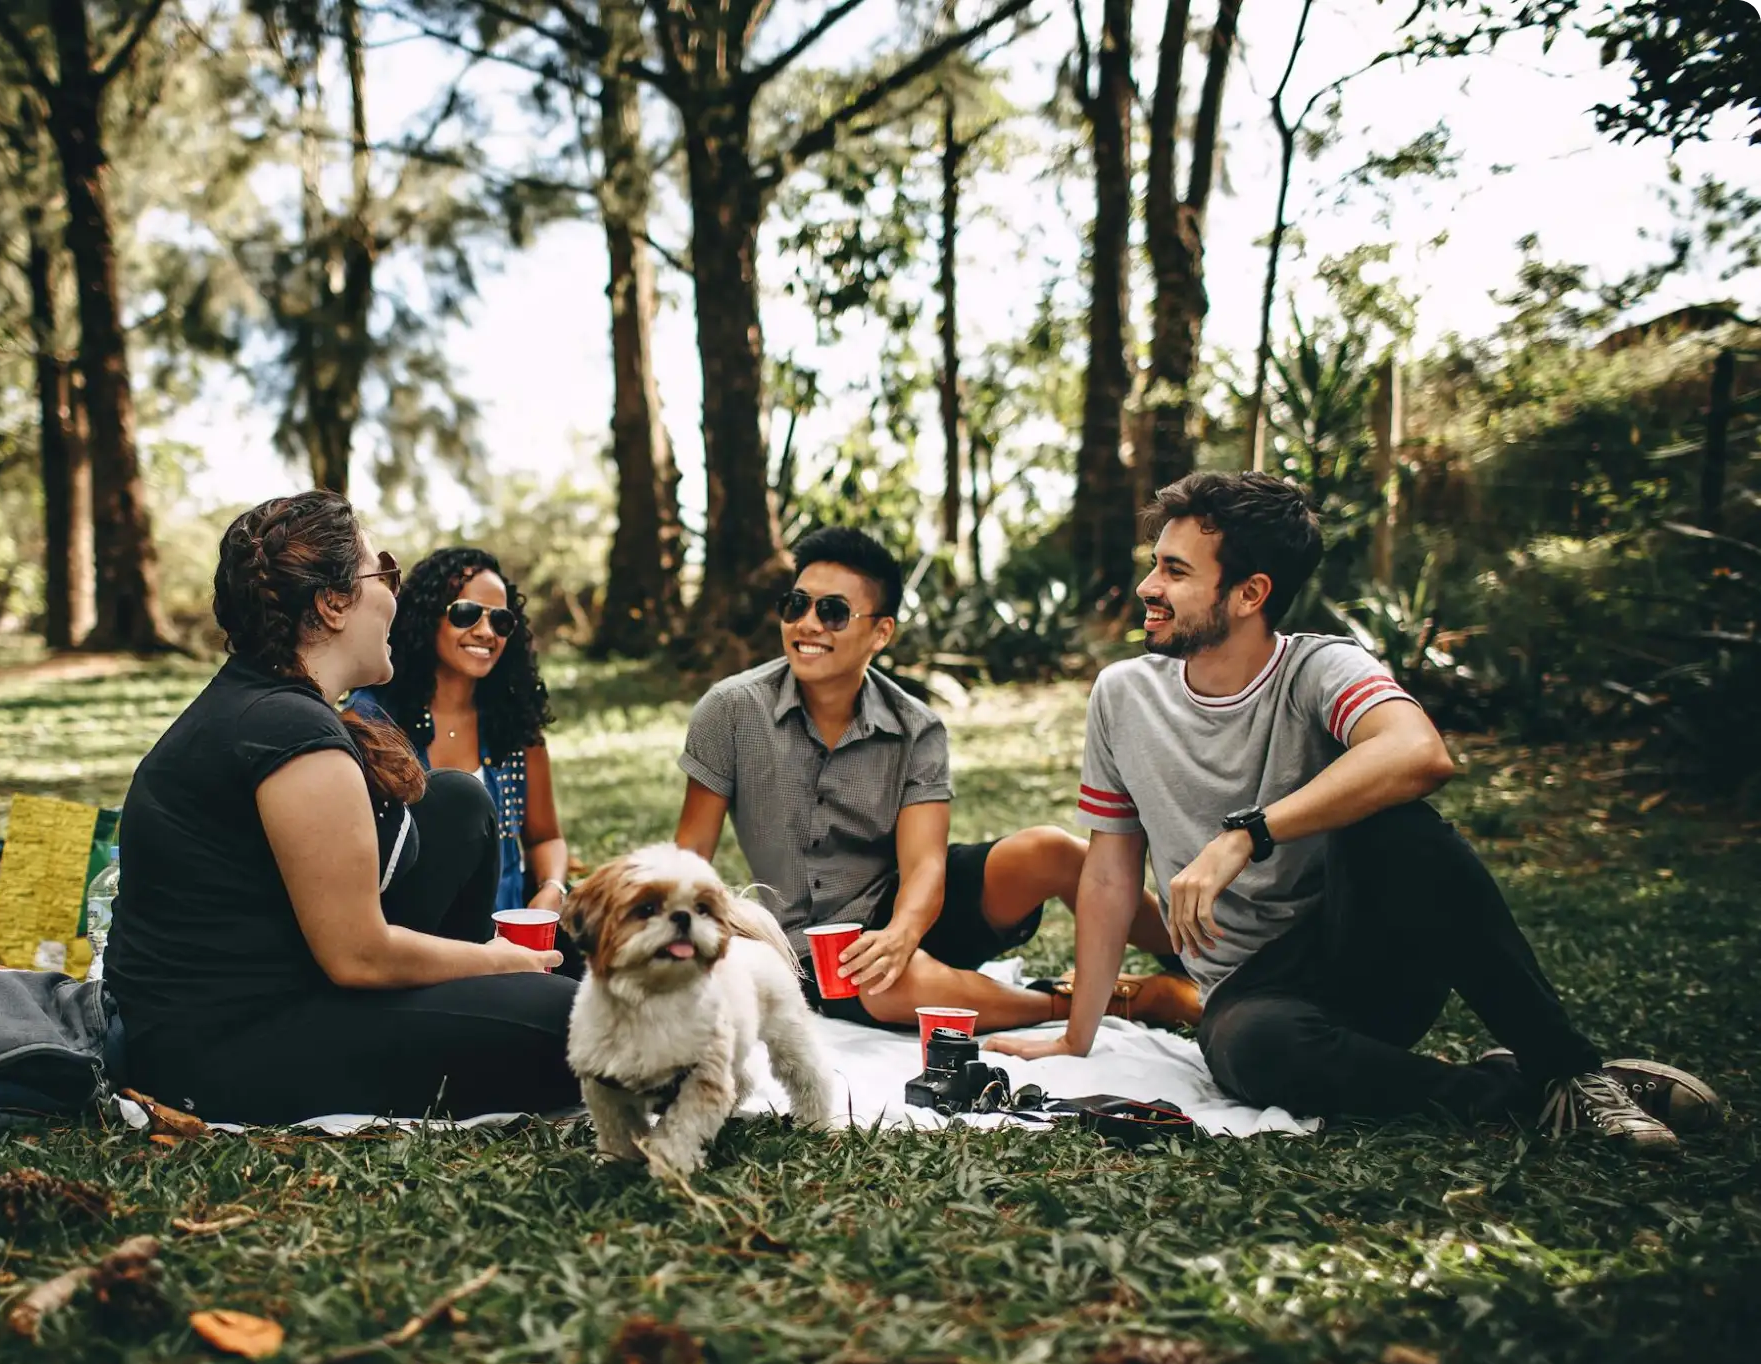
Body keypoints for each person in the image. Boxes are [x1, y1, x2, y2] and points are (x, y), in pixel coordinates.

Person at [988, 471, 1722, 1156]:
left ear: (1250, 593)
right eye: (1157, 562)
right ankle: (1526, 1092)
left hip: (1366, 955)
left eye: (1176, 572)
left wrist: (1249, 833)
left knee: (1400, 825)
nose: (1148, 585)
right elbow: (1112, 875)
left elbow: (1419, 752)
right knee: (1253, 1051)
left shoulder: (1321, 667)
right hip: (1253, 997)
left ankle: (1571, 1068)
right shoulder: (1123, 696)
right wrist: (1077, 1037)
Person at [104, 493, 581, 1124]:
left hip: (287, 980)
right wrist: (500, 958)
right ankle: (500, 998)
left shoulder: (271, 702)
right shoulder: (286, 731)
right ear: (332, 604)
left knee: (458, 802)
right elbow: (358, 956)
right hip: (223, 1049)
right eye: (382, 572)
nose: (394, 594)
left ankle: (488, 998)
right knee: (576, 1026)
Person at [674, 524, 1197, 1032]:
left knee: (1051, 851)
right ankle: (1110, 1002)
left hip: (911, 906)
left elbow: (925, 864)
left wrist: (902, 933)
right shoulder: (731, 711)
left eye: (832, 612)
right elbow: (689, 856)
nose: (808, 624)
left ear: (881, 632)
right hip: (814, 948)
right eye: (796, 605)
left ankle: (1202, 964)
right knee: (888, 985)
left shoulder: (916, 727)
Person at [347, 548, 571, 924]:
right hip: (412, 943)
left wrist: (552, 889)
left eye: (501, 621)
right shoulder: (372, 718)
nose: (486, 632)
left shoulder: (514, 725)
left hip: (508, 940)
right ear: (426, 617)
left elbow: (545, 837)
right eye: (466, 613)